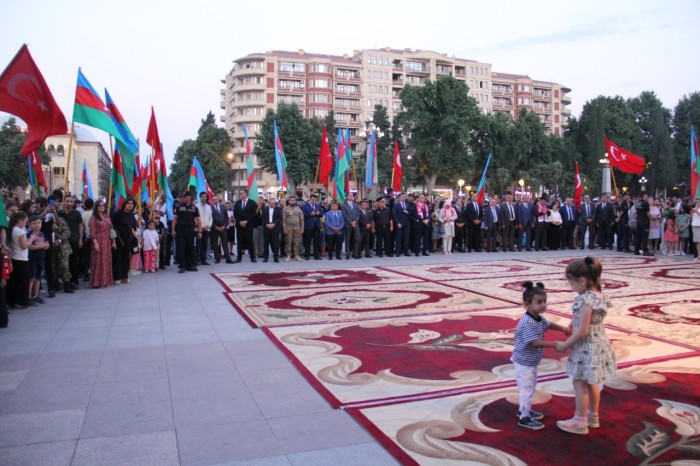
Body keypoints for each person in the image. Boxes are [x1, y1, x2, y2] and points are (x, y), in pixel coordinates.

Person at [554, 257, 617, 435]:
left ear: (582, 281)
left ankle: (580, 421)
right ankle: (593, 416)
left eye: (572, 284)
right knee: (592, 381)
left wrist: (564, 345)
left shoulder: (585, 300)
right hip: (599, 342)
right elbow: (588, 321)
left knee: (579, 382)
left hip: (586, 346)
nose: (571, 288)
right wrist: (571, 324)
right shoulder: (599, 295)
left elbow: (582, 331)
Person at [512, 281, 570, 430]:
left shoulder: (537, 317)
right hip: (524, 362)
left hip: (531, 360)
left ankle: (524, 410)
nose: (544, 305)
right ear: (527, 304)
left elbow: (548, 325)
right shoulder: (527, 322)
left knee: (530, 386)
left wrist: (563, 329)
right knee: (527, 388)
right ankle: (524, 418)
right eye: (539, 302)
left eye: (545, 302)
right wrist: (553, 344)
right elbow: (533, 342)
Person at [172, 191, 202, 273]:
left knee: (191, 247)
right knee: (181, 248)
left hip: (191, 230)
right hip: (181, 230)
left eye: (184, 197)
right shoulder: (178, 206)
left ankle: (191, 265)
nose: (182, 198)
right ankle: (182, 266)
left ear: (188, 198)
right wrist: (173, 230)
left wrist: (199, 231)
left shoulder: (194, 208)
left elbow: (198, 220)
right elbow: (174, 219)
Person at [58, 195, 84, 289]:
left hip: (74, 239)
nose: (69, 203)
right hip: (63, 241)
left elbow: (80, 226)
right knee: (64, 261)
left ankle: (74, 280)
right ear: (64, 202)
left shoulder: (76, 213)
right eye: (67, 201)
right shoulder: (60, 213)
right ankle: (66, 280)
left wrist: (80, 239)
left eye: (71, 201)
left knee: (74, 261)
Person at [111, 198, 138, 283]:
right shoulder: (118, 213)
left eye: (132, 203)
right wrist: (113, 239)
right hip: (118, 238)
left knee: (126, 257)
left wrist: (135, 234)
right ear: (124, 204)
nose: (130, 205)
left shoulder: (131, 214)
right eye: (128, 203)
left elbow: (133, 227)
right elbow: (112, 226)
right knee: (117, 257)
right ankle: (116, 277)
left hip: (128, 238)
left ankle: (124, 276)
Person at [6, 212, 30, 308]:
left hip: (15, 257)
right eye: (24, 221)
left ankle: (13, 301)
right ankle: (20, 301)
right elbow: (24, 246)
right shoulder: (20, 231)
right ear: (20, 220)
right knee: (22, 282)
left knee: (15, 281)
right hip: (21, 258)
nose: (25, 223)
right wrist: (31, 239)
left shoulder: (12, 230)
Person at [88, 200, 115, 288]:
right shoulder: (93, 218)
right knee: (98, 260)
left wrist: (113, 241)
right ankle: (96, 282)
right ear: (96, 207)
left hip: (107, 240)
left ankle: (105, 281)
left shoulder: (107, 216)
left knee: (106, 260)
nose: (101, 207)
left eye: (103, 205)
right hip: (98, 240)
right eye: (99, 206)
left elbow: (111, 230)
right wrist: (95, 243)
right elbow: (92, 232)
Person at [27, 215, 49, 305]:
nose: (37, 225)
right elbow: (30, 246)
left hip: (41, 257)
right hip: (32, 258)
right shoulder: (29, 234)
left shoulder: (42, 234)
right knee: (31, 277)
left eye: (39, 223)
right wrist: (42, 245)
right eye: (34, 223)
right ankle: (29, 297)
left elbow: (45, 245)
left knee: (38, 277)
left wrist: (46, 246)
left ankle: (36, 295)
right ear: (29, 224)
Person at [233, 189, 258, 262]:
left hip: (249, 225)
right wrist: (240, 221)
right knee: (239, 241)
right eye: (240, 193)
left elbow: (253, 214)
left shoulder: (252, 203)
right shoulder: (237, 202)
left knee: (250, 241)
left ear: (246, 194)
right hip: (239, 225)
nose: (241, 194)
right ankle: (239, 257)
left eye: (242, 193)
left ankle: (252, 257)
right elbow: (235, 213)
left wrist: (246, 221)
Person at [209, 196, 233, 264]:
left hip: (223, 228)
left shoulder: (223, 207)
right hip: (214, 228)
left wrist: (224, 226)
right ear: (212, 200)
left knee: (225, 243)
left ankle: (228, 258)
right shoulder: (210, 208)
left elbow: (226, 218)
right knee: (215, 244)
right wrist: (215, 226)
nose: (215, 201)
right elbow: (209, 218)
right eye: (213, 200)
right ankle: (217, 258)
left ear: (218, 200)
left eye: (216, 199)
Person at [302, 194, 324, 260]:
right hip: (308, 226)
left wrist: (318, 213)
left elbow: (321, 214)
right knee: (307, 241)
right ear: (310, 199)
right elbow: (303, 214)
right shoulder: (305, 206)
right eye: (312, 199)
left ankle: (316, 255)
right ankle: (307, 255)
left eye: (315, 200)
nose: (314, 201)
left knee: (316, 241)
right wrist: (310, 214)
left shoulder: (318, 206)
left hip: (316, 226)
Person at [282, 196, 304, 261]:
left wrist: (302, 228)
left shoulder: (299, 209)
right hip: (288, 228)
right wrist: (284, 228)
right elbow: (283, 220)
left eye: (294, 200)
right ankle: (288, 255)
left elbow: (302, 220)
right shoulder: (285, 209)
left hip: (297, 227)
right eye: (291, 200)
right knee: (288, 241)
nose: (292, 201)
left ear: (295, 201)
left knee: (296, 242)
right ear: (289, 201)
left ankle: (296, 255)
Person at [261, 197, 282, 262]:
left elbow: (280, 218)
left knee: (276, 243)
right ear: (269, 203)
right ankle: (265, 258)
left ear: (275, 203)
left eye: (273, 203)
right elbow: (263, 218)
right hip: (266, 227)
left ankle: (276, 258)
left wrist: (274, 224)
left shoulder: (279, 209)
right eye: (271, 203)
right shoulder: (265, 209)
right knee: (266, 243)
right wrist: (266, 224)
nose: (272, 205)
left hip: (275, 228)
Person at [196, 192, 213, 265]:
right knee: (198, 245)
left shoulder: (209, 207)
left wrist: (208, 226)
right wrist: (201, 227)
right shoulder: (196, 206)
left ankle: (203, 260)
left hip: (207, 229)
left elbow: (211, 218)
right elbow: (196, 218)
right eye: (202, 196)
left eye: (205, 196)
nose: (204, 198)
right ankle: (197, 260)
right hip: (199, 229)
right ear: (200, 197)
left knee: (205, 245)